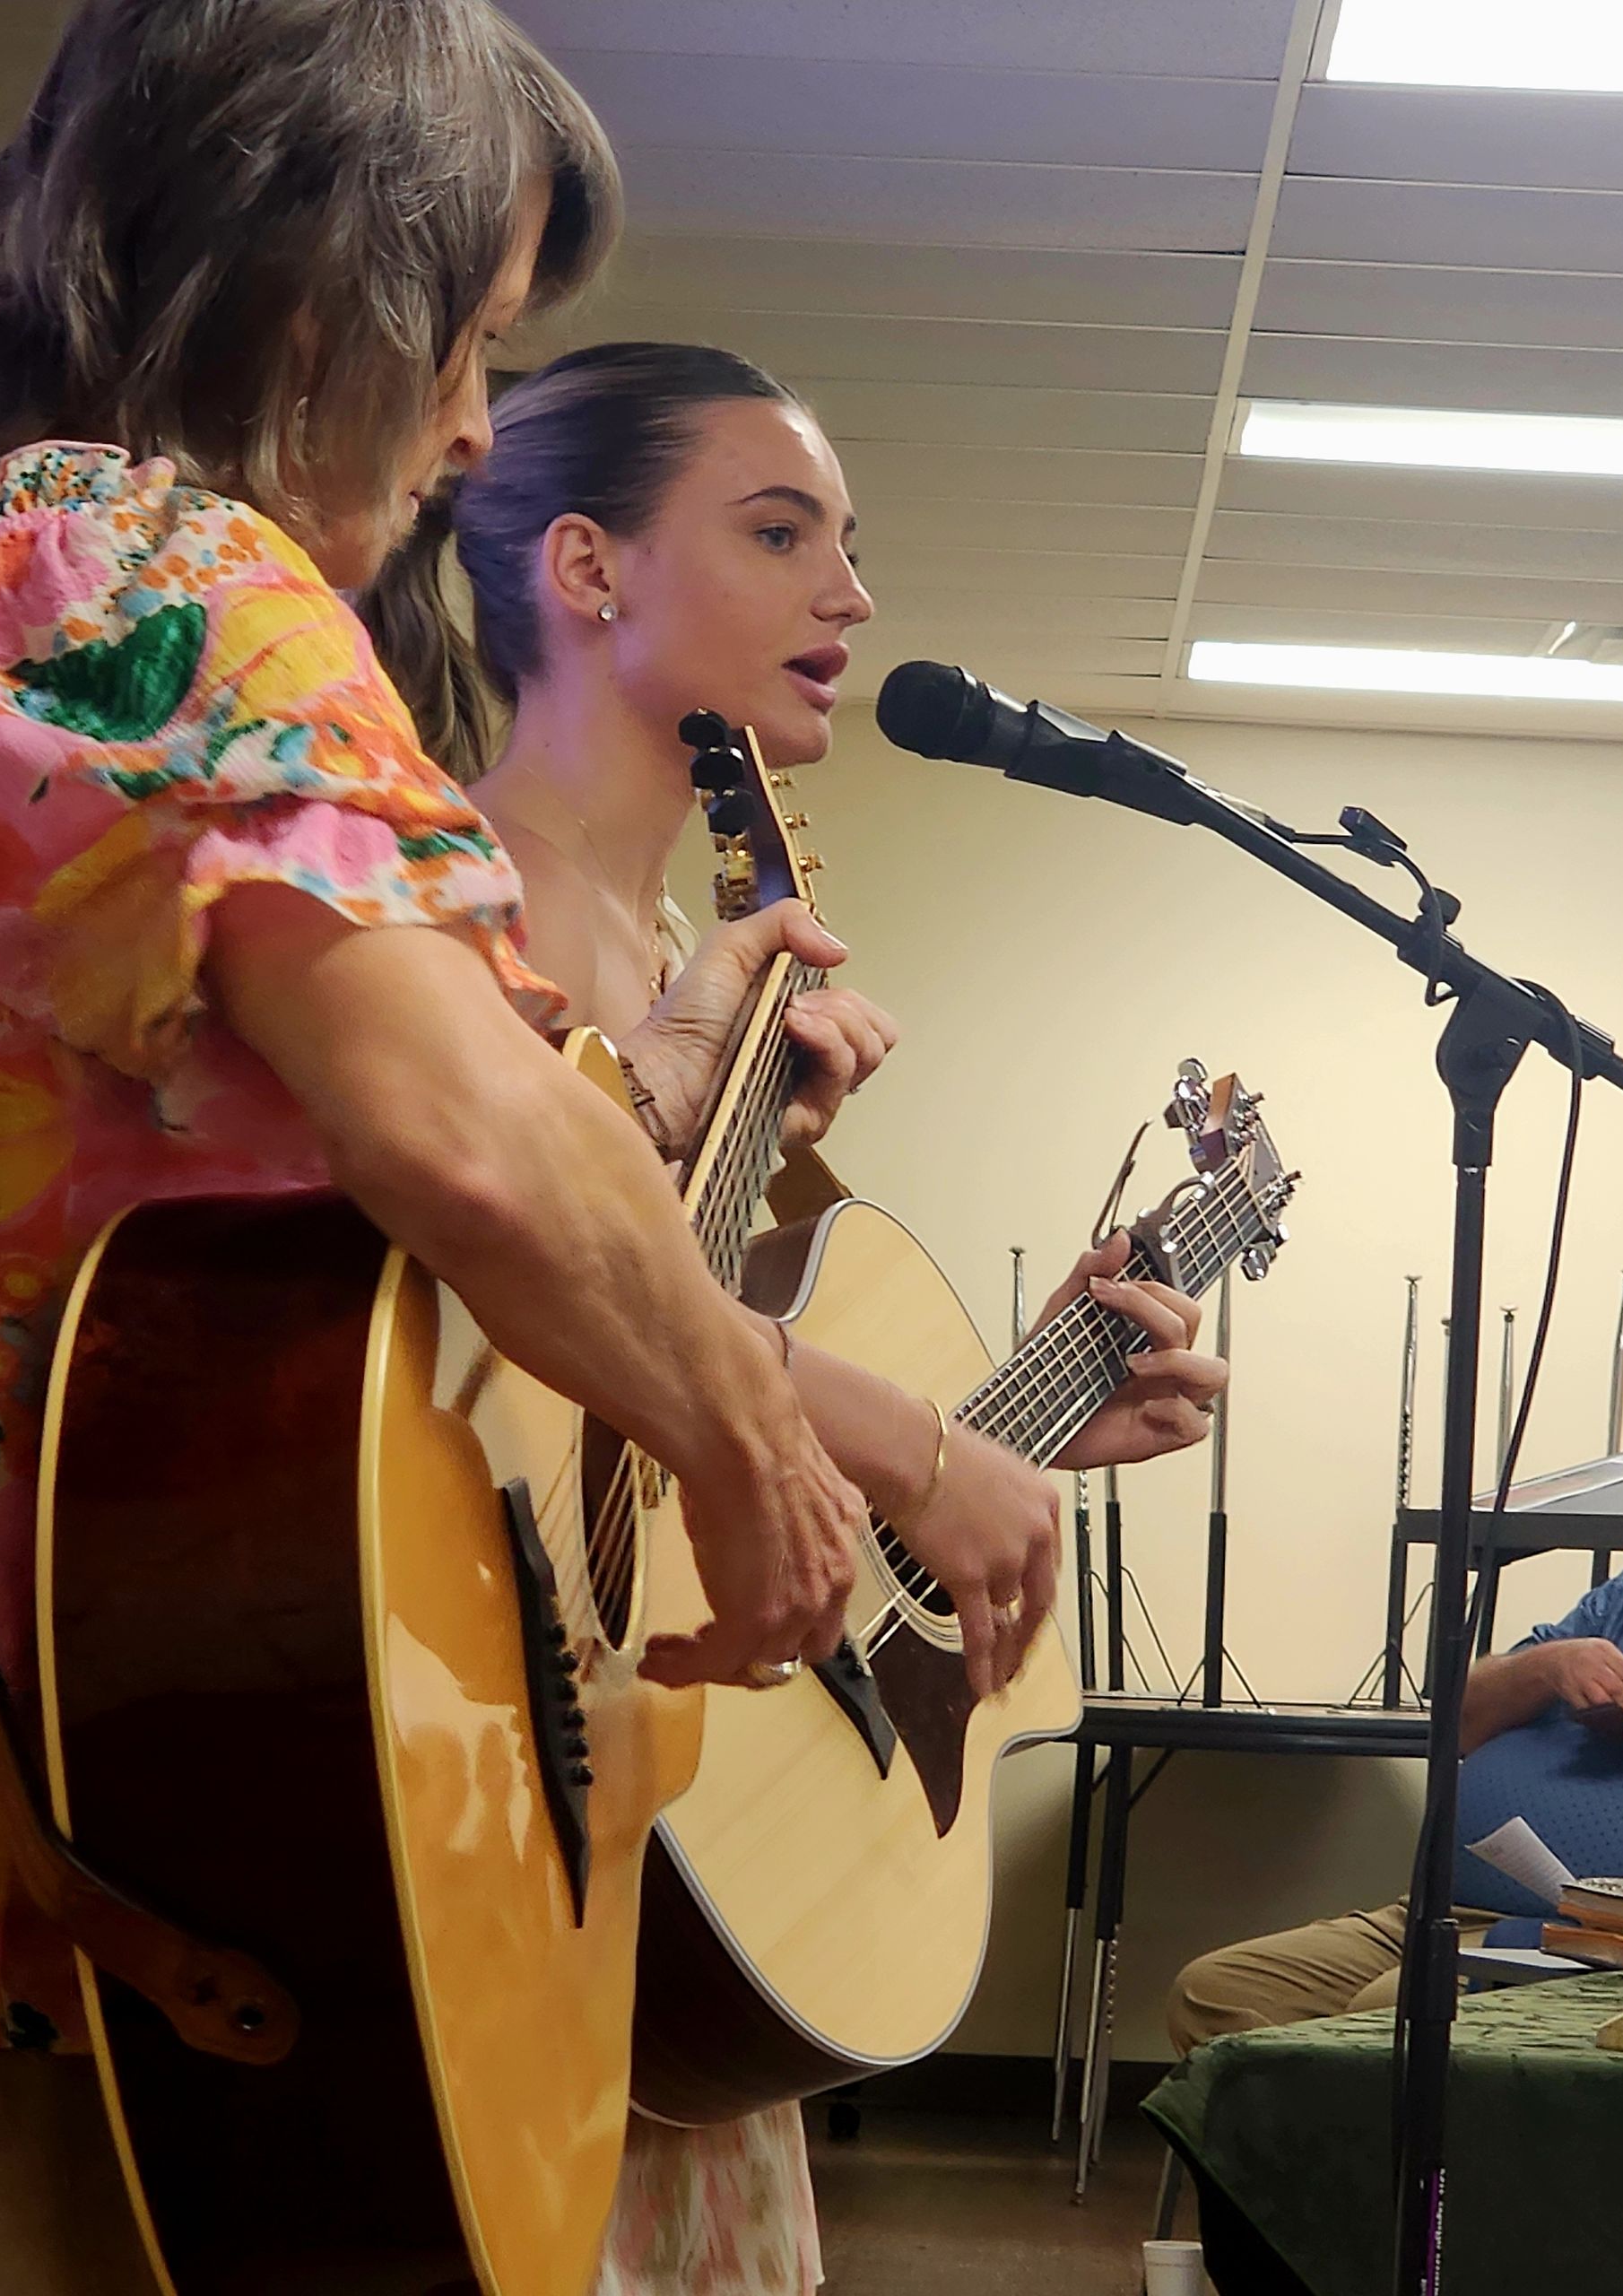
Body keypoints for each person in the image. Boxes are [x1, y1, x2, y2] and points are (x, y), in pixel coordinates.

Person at [0, 7, 1072, 2291]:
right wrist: (755, 1431)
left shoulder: (29, 569)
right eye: (466, 337)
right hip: (83, 1836)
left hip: (156, 1807)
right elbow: (459, 1135)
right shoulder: (145, 551)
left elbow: (432, 1191)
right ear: (314, 291)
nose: (471, 419)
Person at [363, 337, 1233, 2296]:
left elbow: (658, 1427)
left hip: (658, 1846)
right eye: (782, 532)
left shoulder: (697, 963)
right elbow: (461, 1322)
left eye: (851, 543)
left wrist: (1018, 1428)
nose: (852, 595)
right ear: (585, 569)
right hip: (450, 1806)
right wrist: (901, 1432)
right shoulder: (415, 903)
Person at [1167, 1556, 1623, 2053]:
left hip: (1602, 1942)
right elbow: (1459, 1724)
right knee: (1216, 1993)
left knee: (1389, 2008)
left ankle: (1369, 2128)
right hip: (1442, 1915)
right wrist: (1548, 1666)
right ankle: (1339, 2132)